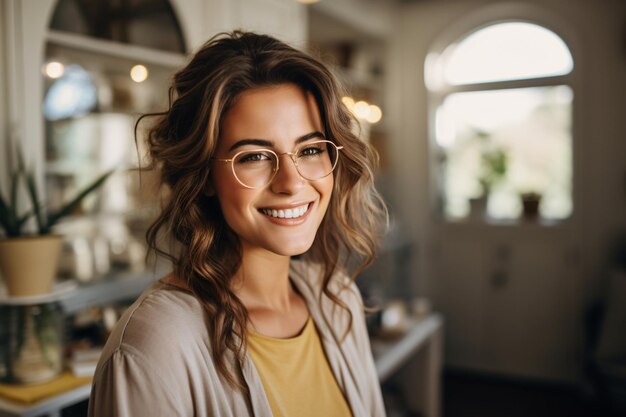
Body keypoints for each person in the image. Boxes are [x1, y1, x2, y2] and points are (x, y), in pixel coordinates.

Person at [88, 31, 387, 417]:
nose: (292, 183)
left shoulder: (337, 298)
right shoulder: (154, 346)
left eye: (310, 149)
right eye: (254, 156)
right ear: (205, 176)